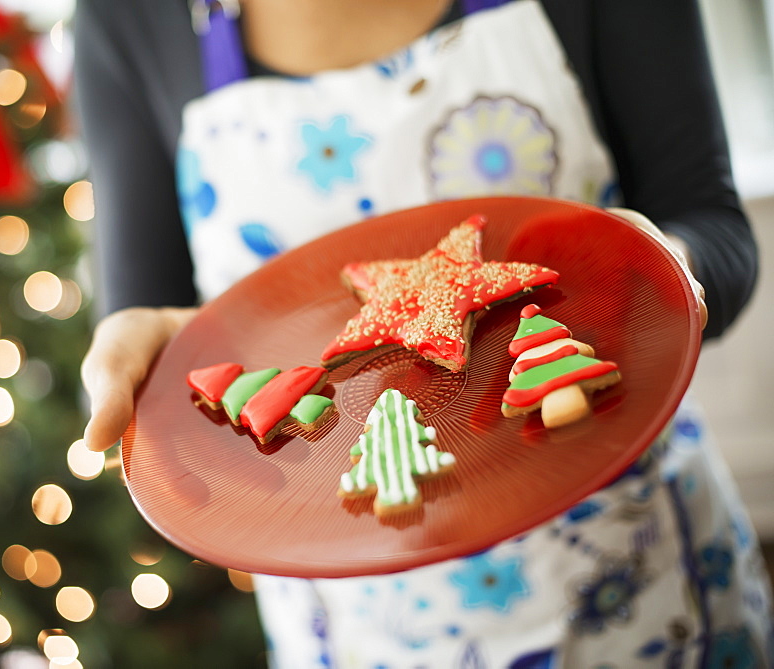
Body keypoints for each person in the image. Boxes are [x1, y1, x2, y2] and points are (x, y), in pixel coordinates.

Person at [73, 0, 772, 665]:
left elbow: (718, 235)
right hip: (357, 633)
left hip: (646, 584)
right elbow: (142, 333)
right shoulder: (130, 16)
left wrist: (667, 271)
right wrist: (152, 377)